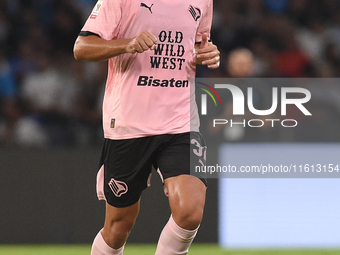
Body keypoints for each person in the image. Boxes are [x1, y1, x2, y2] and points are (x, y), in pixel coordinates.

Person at [73, 0, 220, 254]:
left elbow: (196, 44)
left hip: (181, 121)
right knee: (118, 227)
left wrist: (207, 52)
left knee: (190, 212)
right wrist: (127, 44)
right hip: (130, 124)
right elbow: (82, 47)